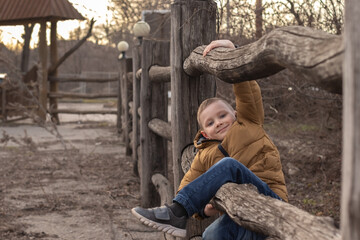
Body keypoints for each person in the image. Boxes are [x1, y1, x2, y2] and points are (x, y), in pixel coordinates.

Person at [131, 39, 288, 239]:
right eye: (210, 122)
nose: (219, 123)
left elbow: (248, 91)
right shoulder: (204, 154)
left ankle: (176, 214)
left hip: (272, 203)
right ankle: (177, 213)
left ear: (235, 113)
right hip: (239, 211)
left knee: (229, 165)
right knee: (211, 234)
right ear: (204, 132)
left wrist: (234, 51)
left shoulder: (249, 122)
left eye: (222, 115)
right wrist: (203, 211)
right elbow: (187, 187)